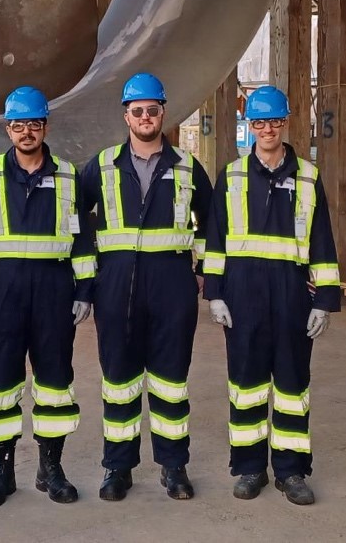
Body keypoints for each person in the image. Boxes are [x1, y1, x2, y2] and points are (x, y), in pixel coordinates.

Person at [201, 85, 340, 506]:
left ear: (286, 123)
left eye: (273, 121)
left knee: (293, 385)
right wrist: (215, 294)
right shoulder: (233, 175)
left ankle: (291, 470)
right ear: (249, 125)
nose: (266, 129)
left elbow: (322, 241)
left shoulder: (309, 177)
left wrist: (324, 300)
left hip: (292, 295)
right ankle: (248, 468)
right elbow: (217, 238)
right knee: (246, 384)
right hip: (243, 296)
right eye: (258, 122)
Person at [0, 86, 96, 507]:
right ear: (8, 129)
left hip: (55, 292)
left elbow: (83, 238)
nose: (26, 132)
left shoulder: (69, 175)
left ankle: (51, 467)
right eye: (18, 125)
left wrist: (85, 290)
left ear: (45, 127)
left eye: (33, 124)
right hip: (4, 293)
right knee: (0, 382)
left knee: (55, 382)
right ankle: (1, 471)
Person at [81, 73, 215, 501]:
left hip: (172, 286)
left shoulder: (188, 167)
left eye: (152, 110)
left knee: (170, 381)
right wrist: (90, 276)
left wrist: (203, 271)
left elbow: (213, 223)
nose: (145, 117)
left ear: (163, 114)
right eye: (137, 111)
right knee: (118, 381)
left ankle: (174, 466)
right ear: (127, 116)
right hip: (116, 286)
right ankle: (117, 469)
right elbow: (74, 219)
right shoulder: (101, 166)